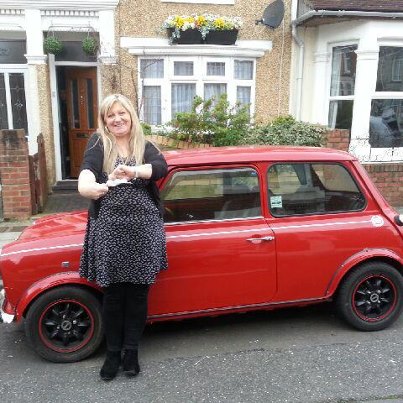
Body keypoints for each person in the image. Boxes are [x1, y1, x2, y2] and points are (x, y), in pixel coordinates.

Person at [78, 93, 168, 381]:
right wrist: (93, 186)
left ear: (131, 116)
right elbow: (87, 175)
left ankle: (131, 352)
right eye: (110, 115)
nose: (117, 119)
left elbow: (160, 167)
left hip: (144, 228)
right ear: (105, 120)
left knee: (139, 293)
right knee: (114, 294)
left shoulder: (145, 144)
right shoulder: (98, 144)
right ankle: (112, 353)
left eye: (122, 113)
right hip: (110, 229)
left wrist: (133, 170)